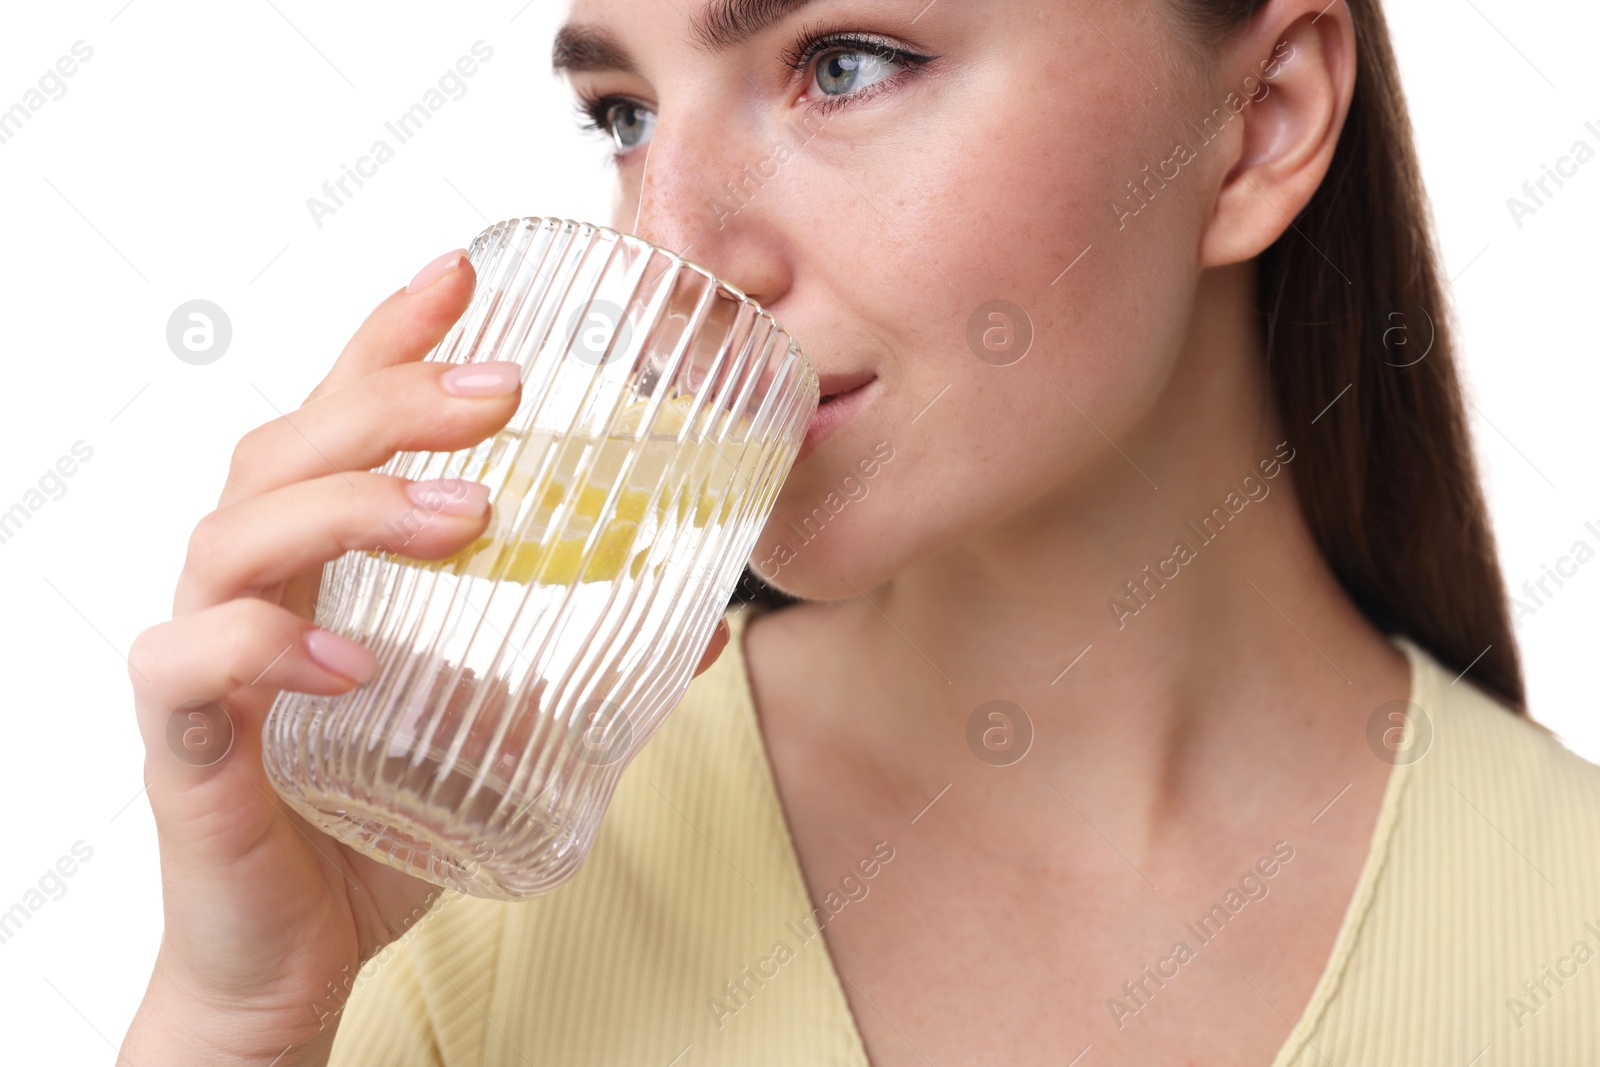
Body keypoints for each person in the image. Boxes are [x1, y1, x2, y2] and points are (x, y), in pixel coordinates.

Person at [120, 0, 1600, 1063]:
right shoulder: (462, 876)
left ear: (1258, 125)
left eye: (842, 64)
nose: (673, 255)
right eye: (624, 118)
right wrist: (239, 1020)